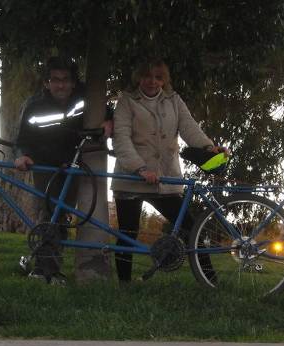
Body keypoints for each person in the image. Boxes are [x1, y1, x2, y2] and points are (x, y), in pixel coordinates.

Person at [111, 58, 228, 282]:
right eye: (147, 76)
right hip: (131, 177)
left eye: (158, 77)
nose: (152, 81)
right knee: (127, 234)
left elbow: (189, 127)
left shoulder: (174, 100)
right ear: (138, 78)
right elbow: (121, 139)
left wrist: (208, 147)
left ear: (165, 80)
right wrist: (140, 168)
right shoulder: (126, 101)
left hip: (166, 179)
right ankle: (124, 286)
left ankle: (210, 280)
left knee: (193, 230)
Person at [14, 56, 112, 283]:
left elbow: (107, 111)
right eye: (55, 80)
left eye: (65, 80)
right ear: (46, 83)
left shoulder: (83, 97)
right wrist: (22, 156)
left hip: (74, 166)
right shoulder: (34, 105)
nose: (60, 85)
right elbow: (23, 139)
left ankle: (50, 268)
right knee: (48, 213)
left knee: (61, 216)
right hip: (45, 166)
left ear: (73, 82)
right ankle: (44, 268)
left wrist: (110, 121)